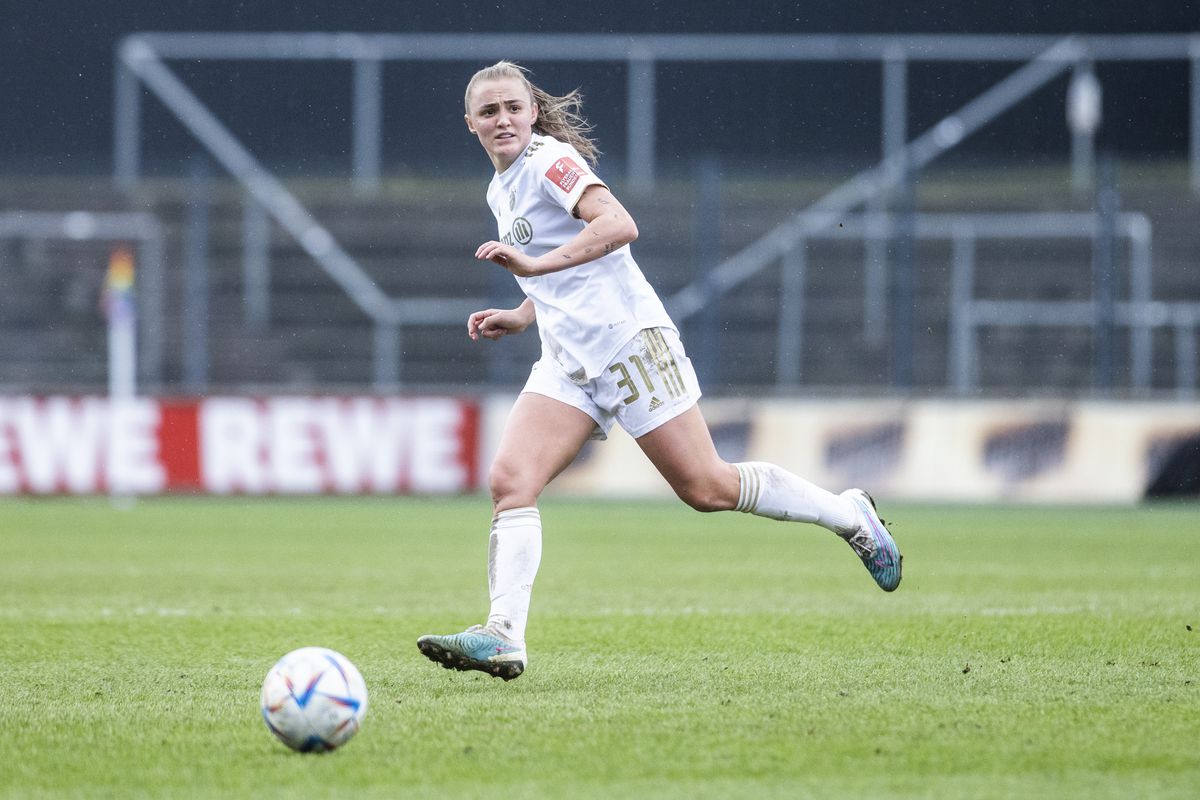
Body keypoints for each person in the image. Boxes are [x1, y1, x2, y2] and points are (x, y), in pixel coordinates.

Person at [417, 61, 901, 682]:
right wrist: (522, 312)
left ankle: (848, 515)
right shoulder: (501, 185)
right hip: (569, 358)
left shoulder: (548, 160)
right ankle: (504, 635)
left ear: (532, 112)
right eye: (490, 112)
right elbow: (571, 273)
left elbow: (618, 225)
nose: (503, 119)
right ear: (470, 125)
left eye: (513, 107)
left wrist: (533, 269)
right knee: (511, 480)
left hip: (627, 343)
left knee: (707, 488)